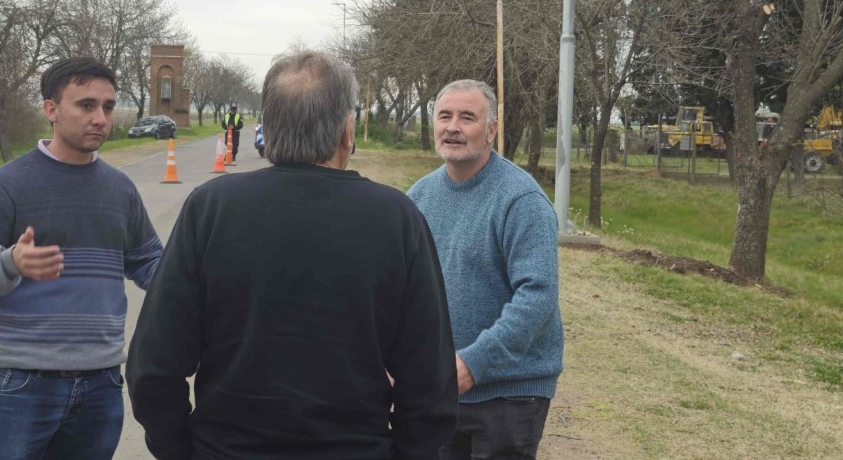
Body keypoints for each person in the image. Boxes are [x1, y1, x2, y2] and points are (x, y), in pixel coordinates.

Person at [127, 50, 457, 460]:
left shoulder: (211, 208)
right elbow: (430, 378)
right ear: (346, 131)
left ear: (268, 128)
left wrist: (179, 449)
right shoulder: (397, 218)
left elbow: (154, 365)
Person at [0, 57, 165, 460]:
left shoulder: (120, 190)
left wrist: (211, 270)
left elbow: (152, 266)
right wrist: (9, 263)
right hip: (17, 385)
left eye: (108, 107)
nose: (100, 118)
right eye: (86, 105)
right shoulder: (5, 186)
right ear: (51, 109)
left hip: (101, 385)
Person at [407, 80, 563, 460]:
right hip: (442, 390)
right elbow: (403, 291)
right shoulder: (418, 198)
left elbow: (537, 297)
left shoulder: (520, 200)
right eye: (444, 116)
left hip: (509, 393)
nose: (453, 127)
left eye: (467, 117)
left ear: (492, 130)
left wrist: (474, 362)